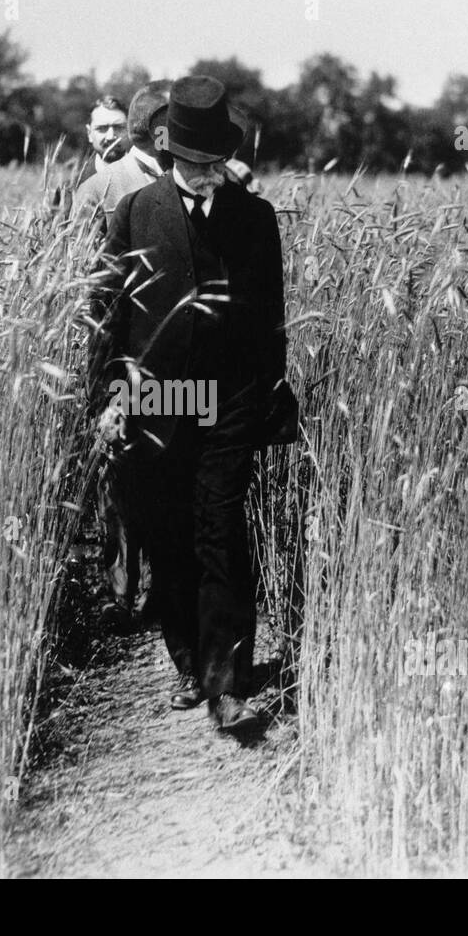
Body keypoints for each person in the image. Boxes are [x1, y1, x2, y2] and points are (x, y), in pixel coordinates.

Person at [87, 75, 293, 735]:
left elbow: (271, 321)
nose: (209, 175)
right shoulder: (136, 213)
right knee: (169, 536)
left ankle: (225, 681)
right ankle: (185, 661)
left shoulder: (255, 219)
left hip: (228, 400)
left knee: (220, 533)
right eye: (196, 163)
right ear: (170, 152)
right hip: (157, 401)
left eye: (217, 163)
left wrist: (262, 393)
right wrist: (109, 400)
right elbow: (109, 317)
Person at [79, 82, 171, 627]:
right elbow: (84, 285)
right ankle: (121, 592)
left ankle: (162, 589)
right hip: (119, 355)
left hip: (176, 359)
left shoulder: (193, 181)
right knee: (120, 471)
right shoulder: (100, 189)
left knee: (167, 465)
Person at [74, 81, 171, 225]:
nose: (110, 136)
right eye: (102, 128)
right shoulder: (87, 188)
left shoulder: (183, 175)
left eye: (118, 127)